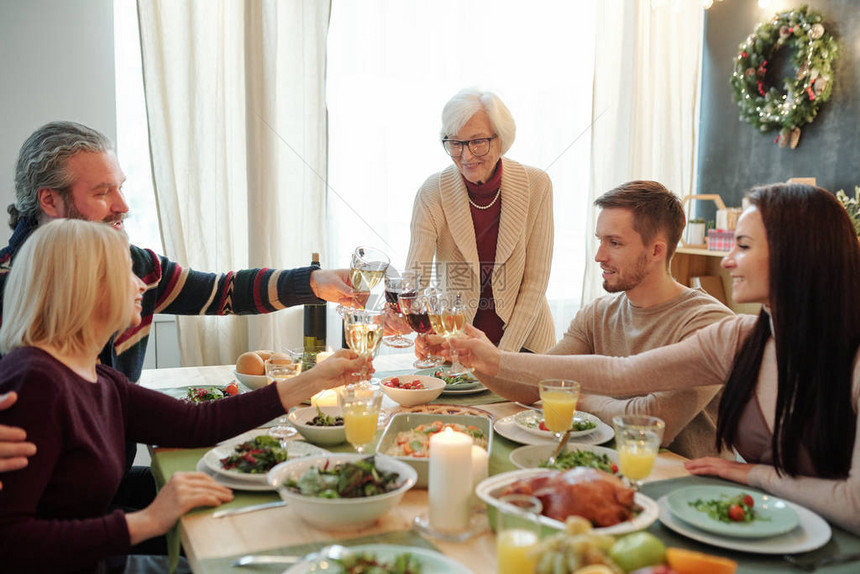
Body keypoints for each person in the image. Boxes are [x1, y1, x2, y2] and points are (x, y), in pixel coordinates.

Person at [451, 183, 860, 534]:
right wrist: (491, 358)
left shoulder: (847, 358)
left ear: (796, 256)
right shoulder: (738, 337)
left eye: (744, 246)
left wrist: (756, 475)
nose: (728, 259)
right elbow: (618, 373)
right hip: (756, 525)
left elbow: (854, 507)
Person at [0, 120, 356, 505]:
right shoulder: (21, 316)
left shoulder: (136, 267)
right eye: (103, 192)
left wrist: (314, 283)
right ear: (49, 200)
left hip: (99, 485)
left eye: (120, 187)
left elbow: (222, 292)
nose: (122, 205)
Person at [0, 219, 369, 573]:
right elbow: (12, 544)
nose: (139, 284)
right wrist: (148, 521)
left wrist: (317, 379)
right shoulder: (36, 384)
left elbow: (197, 423)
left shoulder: (96, 378)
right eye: (124, 272)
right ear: (85, 286)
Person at [466, 181, 733, 458]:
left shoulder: (710, 324)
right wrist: (468, 353)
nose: (599, 256)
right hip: (608, 464)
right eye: (600, 240)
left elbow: (653, 423)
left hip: (687, 484)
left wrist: (581, 400)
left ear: (656, 251)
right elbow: (533, 386)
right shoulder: (598, 314)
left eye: (614, 243)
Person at [405, 88, 555, 353]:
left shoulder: (537, 185)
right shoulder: (431, 192)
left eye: (477, 142)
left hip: (527, 346)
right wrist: (424, 329)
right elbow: (416, 279)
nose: (466, 156)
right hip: (457, 345)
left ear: (501, 139)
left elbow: (535, 283)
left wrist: (501, 358)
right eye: (456, 143)